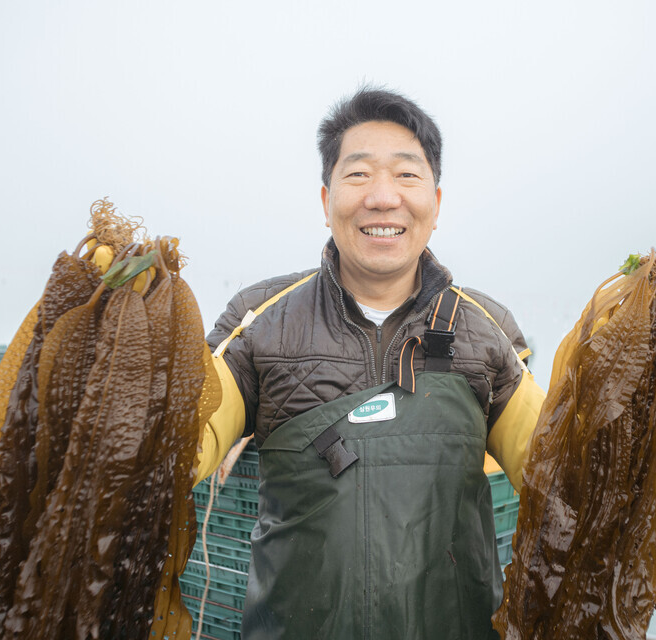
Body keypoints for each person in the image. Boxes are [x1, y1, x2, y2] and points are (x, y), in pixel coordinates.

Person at [195, 87, 545, 639]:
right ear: (325, 197)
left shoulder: (486, 331)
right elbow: (179, 447)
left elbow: (557, 476)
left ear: (436, 200)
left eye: (407, 175)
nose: (383, 199)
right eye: (358, 175)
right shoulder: (259, 321)